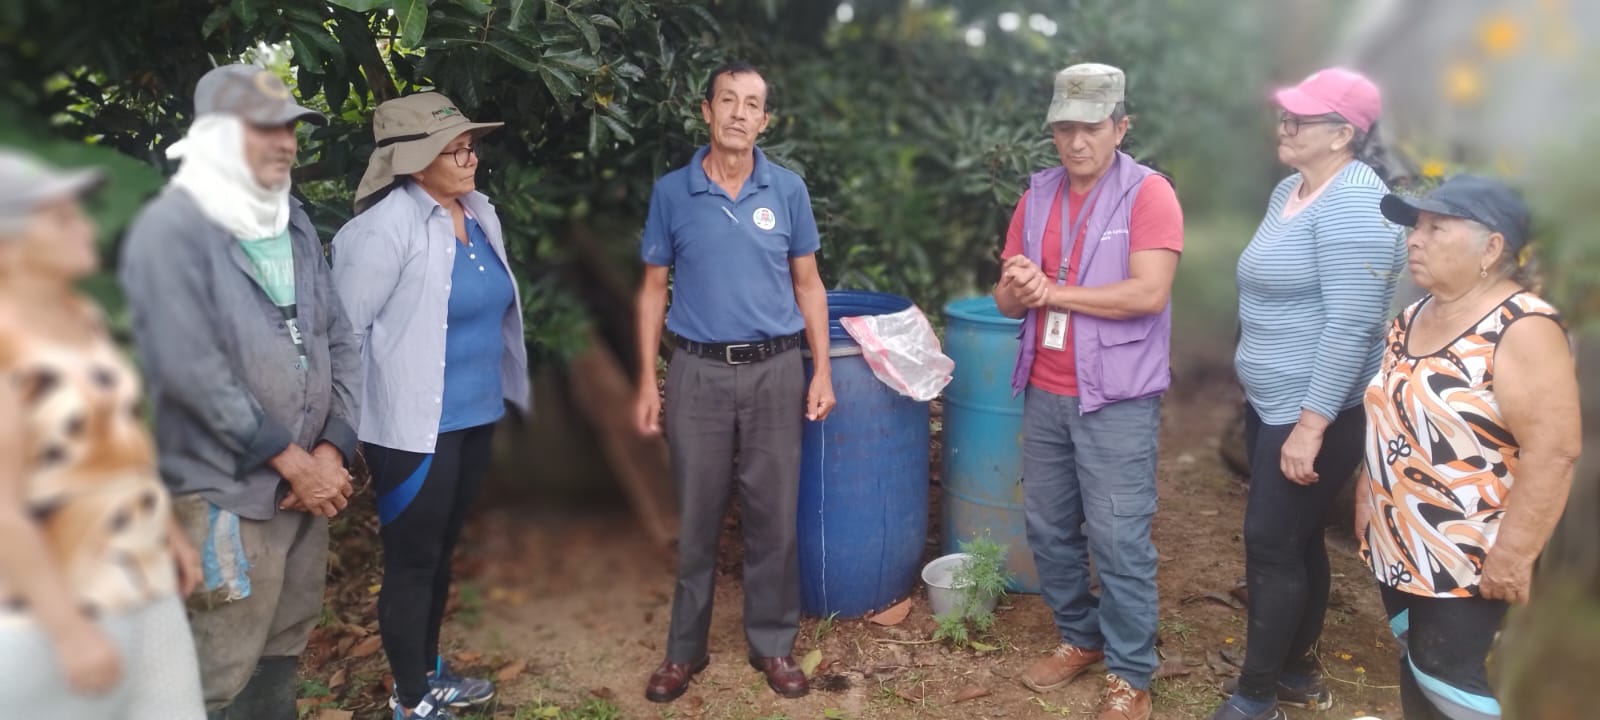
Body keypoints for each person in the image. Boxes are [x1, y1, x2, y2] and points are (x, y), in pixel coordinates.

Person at [119, 64, 360, 720]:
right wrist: (292, 461)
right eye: (264, 128)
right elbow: (189, 370)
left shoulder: (293, 220)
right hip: (224, 490)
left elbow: (338, 336)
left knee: (283, 645)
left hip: (303, 489)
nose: (285, 142)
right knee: (218, 664)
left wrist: (333, 449)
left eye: (291, 128)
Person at [635, 61, 835, 704]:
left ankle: (772, 644)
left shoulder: (787, 191)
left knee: (774, 515)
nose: (739, 114)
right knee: (696, 515)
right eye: (728, 100)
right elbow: (652, 290)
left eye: (752, 104)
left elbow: (809, 285)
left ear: (765, 121)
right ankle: (683, 651)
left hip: (777, 371)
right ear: (707, 110)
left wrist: (822, 369)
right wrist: (647, 379)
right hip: (697, 372)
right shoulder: (672, 193)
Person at [994, 62, 1184, 720]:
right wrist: (1019, 288)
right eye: (1064, 128)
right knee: (1048, 528)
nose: (1077, 142)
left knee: (1119, 539)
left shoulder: (1148, 195)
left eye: (1092, 128)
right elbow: (1007, 301)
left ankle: (1131, 673)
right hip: (1045, 389)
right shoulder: (1036, 196)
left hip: (1117, 399)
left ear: (1121, 127)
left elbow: (1148, 293)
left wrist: (1054, 292)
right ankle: (1081, 636)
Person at [332, 93, 529, 720]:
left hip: (475, 418)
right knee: (412, 562)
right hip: (413, 430)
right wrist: (341, 436)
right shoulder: (379, 232)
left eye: (471, 148)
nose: (471, 160)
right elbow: (345, 338)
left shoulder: (481, 213)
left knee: (440, 554)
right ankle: (410, 701)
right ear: (415, 162)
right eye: (455, 151)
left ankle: (427, 674)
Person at [1218, 67, 1405, 720]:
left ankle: (1256, 697)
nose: (1285, 125)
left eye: (1301, 118)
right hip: (1274, 402)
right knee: (1294, 541)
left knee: (1271, 543)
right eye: (1285, 114)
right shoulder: (1291, 190)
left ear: (1343, 134)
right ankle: (1296, 673)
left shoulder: (1355, 204)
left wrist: (1310, 426)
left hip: (1313, 411)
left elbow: (1353, 326)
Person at [1361, 175, 1580, 719]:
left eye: (1437, 228)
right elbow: (1391, 417)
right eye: (1416, 227)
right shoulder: (1412, 317)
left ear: (1491, 248)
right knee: (1418, 664)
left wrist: (1514, 555)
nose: (1415, 239)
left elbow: (1554, 451)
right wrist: (1368, 497)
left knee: (1450, 682)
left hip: (1470, 558)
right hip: (1401, 542)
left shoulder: (1522, 328)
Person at [0, 150, 206, 718]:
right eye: (61, 219)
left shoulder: (80, 314)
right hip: (56, 605)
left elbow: (118, 439)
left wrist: (165, 527)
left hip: (139, 578)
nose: (86, 227)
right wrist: (68, 630)